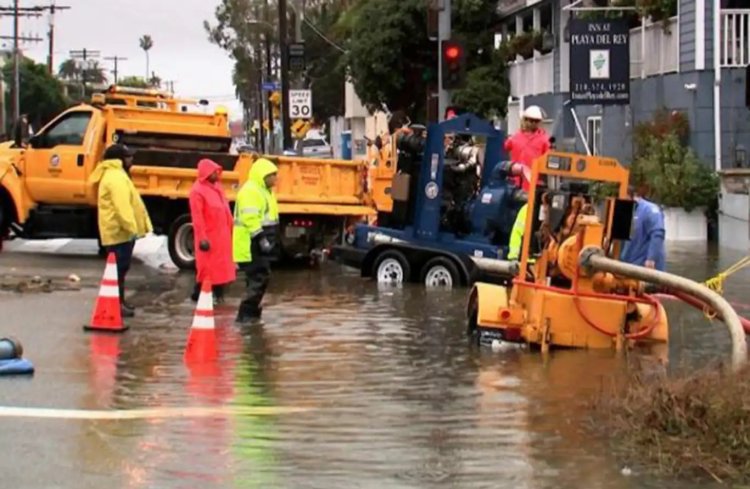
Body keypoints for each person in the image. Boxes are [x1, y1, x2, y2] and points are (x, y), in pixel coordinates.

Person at [89, 144, 153, 317]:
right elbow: (122, 207)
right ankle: (116, 305)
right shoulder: (116, 177)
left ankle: (119, 303)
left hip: (119, 233)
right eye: (128, 157)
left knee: (120, 270)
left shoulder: (116, 175)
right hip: (119, 234)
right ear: (119, 160)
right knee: (118, 271)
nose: (131, 160)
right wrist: (132, 229)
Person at [233, 158, 280, 323]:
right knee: (259, 277)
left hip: (257, 242)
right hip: (250, 243)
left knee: (258, 278)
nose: (276, 178)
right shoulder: (251, 191)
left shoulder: (264, 191)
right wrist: (261, 238)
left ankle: (250, 314)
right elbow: (250, 217)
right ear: (263, 175)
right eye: (273, 175)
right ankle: (246, 315)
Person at [189, 158, 236, 304]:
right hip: (210, 237)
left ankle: (216, 294)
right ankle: (203, 294)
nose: (217, 174)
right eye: (214, 171)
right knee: (208, 269)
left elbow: (225, 210)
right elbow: (198, 217)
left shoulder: (217, 188)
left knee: (221, 269)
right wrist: (202, 238)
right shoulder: (197, 191)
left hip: (221, 236)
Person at [504, 105, 551, 191]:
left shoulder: (544, 139)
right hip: (515, 183)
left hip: (534, 184)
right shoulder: (515, 137)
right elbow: (503, 148)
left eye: (536, 121)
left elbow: (549, 160)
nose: (533, 123)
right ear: (525, 120)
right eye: (531, 120)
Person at [620, 187, 666, 271]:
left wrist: (651, 258)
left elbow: (658, 233)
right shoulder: (625, 210)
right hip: (629, 265)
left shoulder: (650, 210)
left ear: (631, 196)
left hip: (645, 267)